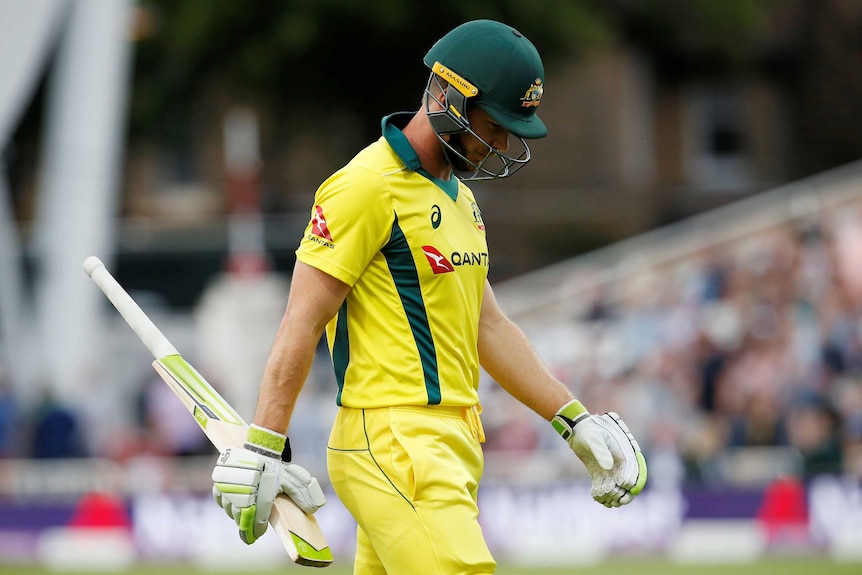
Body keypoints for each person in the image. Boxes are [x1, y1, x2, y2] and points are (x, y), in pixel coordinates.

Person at [211, 19, 647, 574]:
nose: (502, 145)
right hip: (394, 443)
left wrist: (572, 418)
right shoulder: (364, 185)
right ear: (448, 97)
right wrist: (265, 443)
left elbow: (488, 326)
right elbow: (301, 321)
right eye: (494, 125)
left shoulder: (461, 200)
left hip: (452, 445)